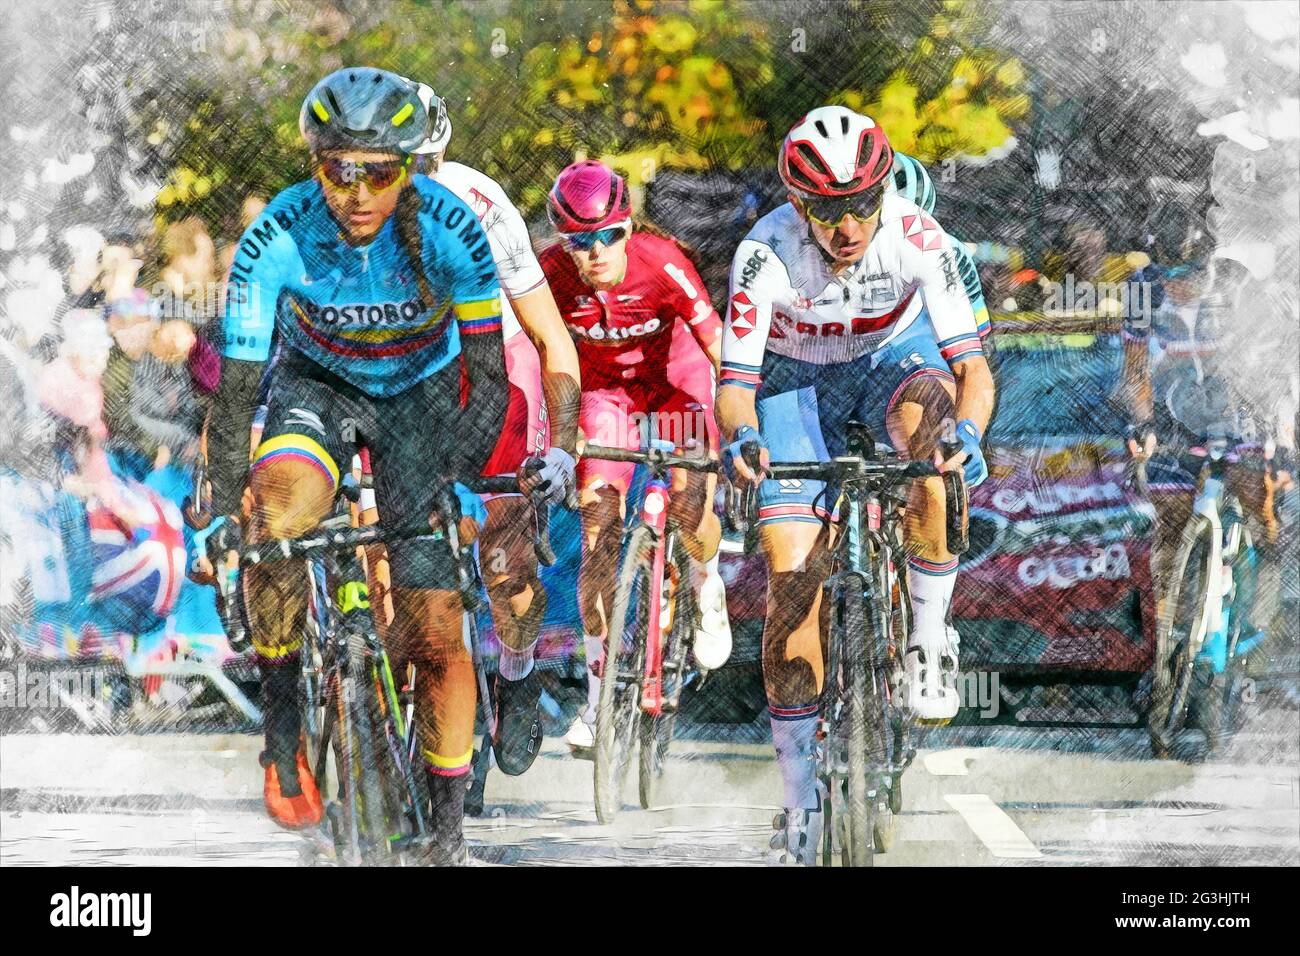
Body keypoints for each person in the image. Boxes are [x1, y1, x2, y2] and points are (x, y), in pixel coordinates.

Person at [201, 68, 509, 863]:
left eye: (379, 172)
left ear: (409, 167)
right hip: (319, 389)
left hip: (421, 396)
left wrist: (460, 475)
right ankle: (281, 727)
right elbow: (236, 393)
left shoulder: (451, 228)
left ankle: (446, 832)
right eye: (340, 170)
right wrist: (220, 508)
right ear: (316, 167)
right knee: (273, 521)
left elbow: (493, 381)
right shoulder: (277, 234)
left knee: (437, 627)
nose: (359, 192)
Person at [716, 106, 996, 863]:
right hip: (793, 382)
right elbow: (736, 385)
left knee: (932, 445)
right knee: (790, 574)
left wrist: (966, 435)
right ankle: (799, 795)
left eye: (864, 204)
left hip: (890, 362)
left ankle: (929, 639)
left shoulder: (919, 238)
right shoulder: (763, 252)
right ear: (799, 205)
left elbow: (973, 371)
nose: (849, 225)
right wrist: (740, 434)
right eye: (830, 210)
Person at [395, 78, 580, 777]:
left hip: (490, 364)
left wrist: (561, 451)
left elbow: (549, 337)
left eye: (418, 169)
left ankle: (518, 670)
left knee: (505, 551)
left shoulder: (482, 204)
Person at [536, 160, 731, 751]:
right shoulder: (547, 274)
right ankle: (597, 704)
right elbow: (538, 357)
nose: (595, 253)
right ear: (562, 242)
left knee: (693, 511)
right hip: (605, 397)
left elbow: (717, 346)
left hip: (677, 381)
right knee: (598, 535)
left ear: (627, 227)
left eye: (608, 236)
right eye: (579, 241)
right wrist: (556, 443)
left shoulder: (662, 261)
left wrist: (740, 424)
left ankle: (704, 579)